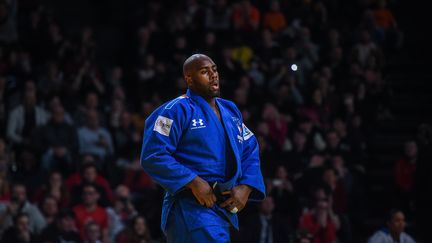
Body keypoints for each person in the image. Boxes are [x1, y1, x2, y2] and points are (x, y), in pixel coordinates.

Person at [140, 54, 265, 242]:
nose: (213, 75)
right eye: (204, 72)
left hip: (220, 209)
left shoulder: (230, 110)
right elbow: (153, 154)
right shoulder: (175, 110)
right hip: (190, 207)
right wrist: (193, 181)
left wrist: (246, 186)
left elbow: (250, 149)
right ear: (189, 79)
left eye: (214, 70)